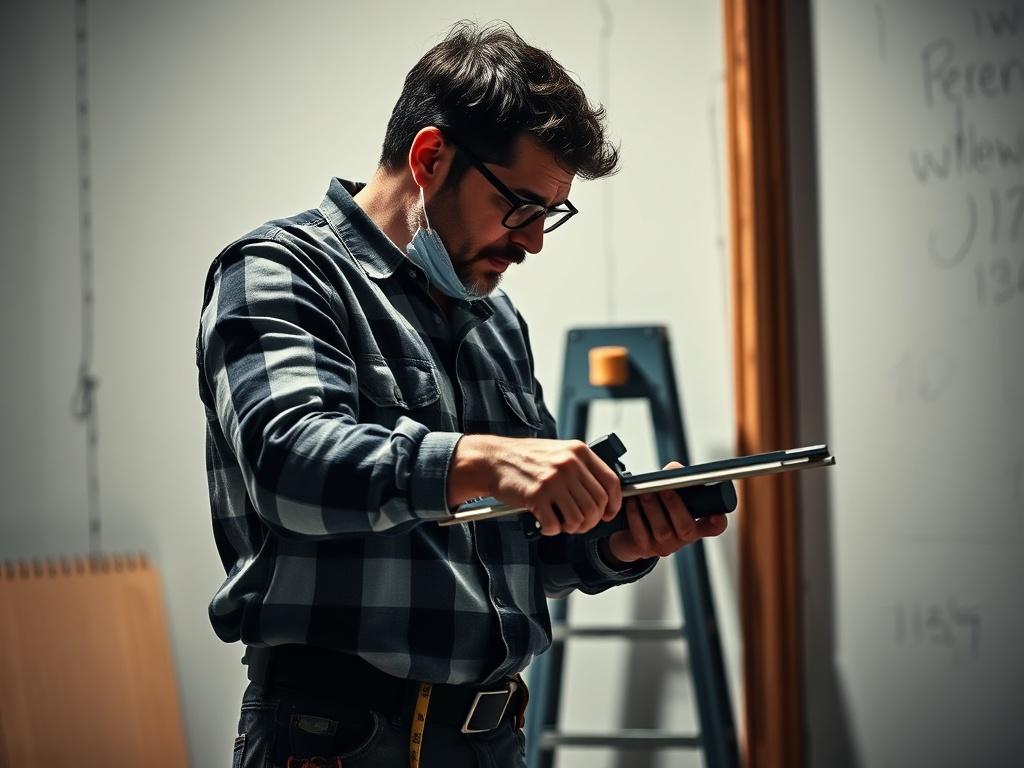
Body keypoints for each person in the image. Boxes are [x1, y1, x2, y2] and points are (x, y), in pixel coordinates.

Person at [195, 20, 728, 768]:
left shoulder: (495, 319)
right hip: (336, 740)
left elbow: (517, 547)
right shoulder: (279, 271)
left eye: (550, 214)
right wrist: (481, 460)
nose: (533, 240)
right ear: (430, 157)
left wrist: (613, 540)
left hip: (490, 739)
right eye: (522, 206)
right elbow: (289, 464)